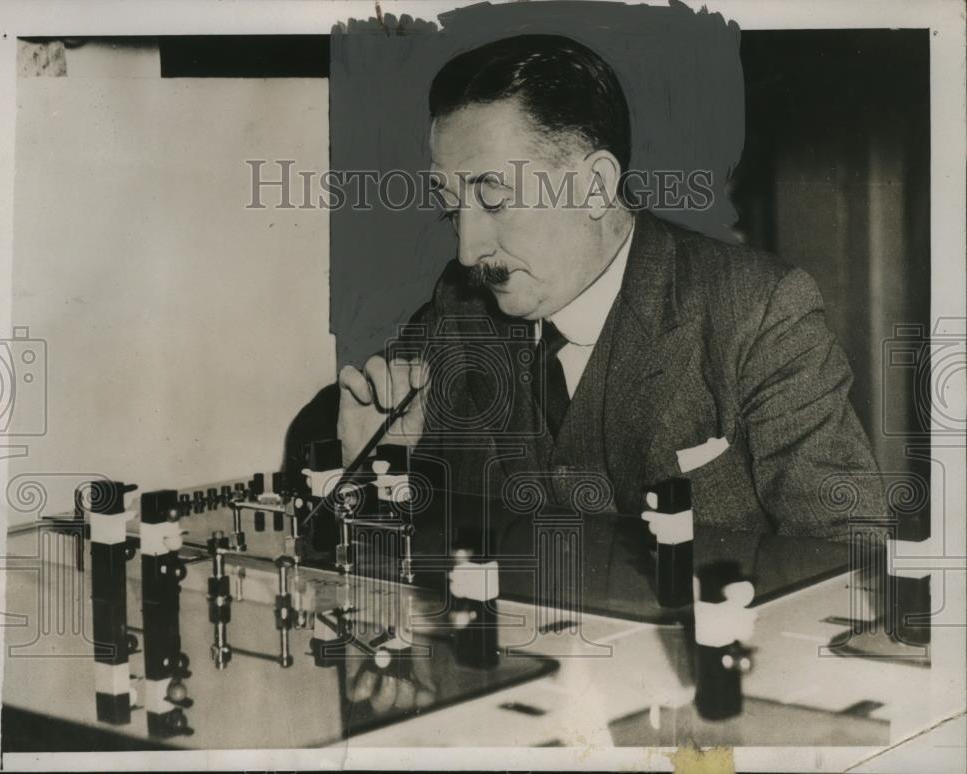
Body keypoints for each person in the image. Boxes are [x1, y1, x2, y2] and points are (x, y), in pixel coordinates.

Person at [300, 34, 887, 540]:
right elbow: (385, 525)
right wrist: (376, 464)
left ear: (596, 186)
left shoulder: (759, 312)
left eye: (494, 196)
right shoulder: (461, 309)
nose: (468, 250)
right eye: (451, 207)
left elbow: (848, 557)